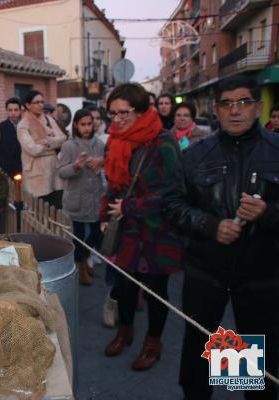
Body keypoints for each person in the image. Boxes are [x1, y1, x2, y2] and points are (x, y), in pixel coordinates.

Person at [163, 74, 279, 400]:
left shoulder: (275, 150)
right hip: (206, 274)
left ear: (257, 107)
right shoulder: (196, 154)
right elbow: (172, 206)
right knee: (201, 349)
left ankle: (247, 389)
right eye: (227, 103)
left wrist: (267, 213)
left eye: (244, 102)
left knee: (252, 359)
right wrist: (210, 226)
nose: (235, 110)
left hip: (259, 275)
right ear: (216, 110)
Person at [100, 83, 183, 371]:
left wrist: (129, 207)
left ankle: (153, 342)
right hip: (127, 230)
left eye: (124, 112)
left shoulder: (164, 141)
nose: (118, 119)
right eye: (113, 113)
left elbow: (171, 193)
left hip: (159, 231)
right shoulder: (115, 139)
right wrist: (104, 215)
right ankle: (125, 332)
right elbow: (113, 183)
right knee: (124, 287)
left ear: (142, 110)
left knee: (157, 291)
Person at [57, 109, 105, 286]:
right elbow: (61, 171)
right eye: (83, 124)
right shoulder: (69, 145)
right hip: (76, 197)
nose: (86, 128)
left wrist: (101, 162)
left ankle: (83, 260)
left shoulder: (99, 144)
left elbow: (107, 165)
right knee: (77, 236)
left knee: (96, 233)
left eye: (89, 124)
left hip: (95, 196)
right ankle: (81, 267)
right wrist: (75, 166)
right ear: (76, 125)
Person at [17, 90, 67, 208]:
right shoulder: (23, 125)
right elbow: (33, 149)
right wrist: (51, 141)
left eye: (42, 102)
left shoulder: (49, 120)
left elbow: (63, 139)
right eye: (37, 102)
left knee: (57, 209)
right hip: (36, 174)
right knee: (40, 211)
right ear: (28, 105)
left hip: (54, 170)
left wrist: (46, 141)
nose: (41, 105)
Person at [0, 97, 22, 178]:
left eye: (16, 110)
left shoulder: (25, 126)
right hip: (5, 171)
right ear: (6, 111)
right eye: (10, 110)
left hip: (23, 169)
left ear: (20, 111)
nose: (13, 113)